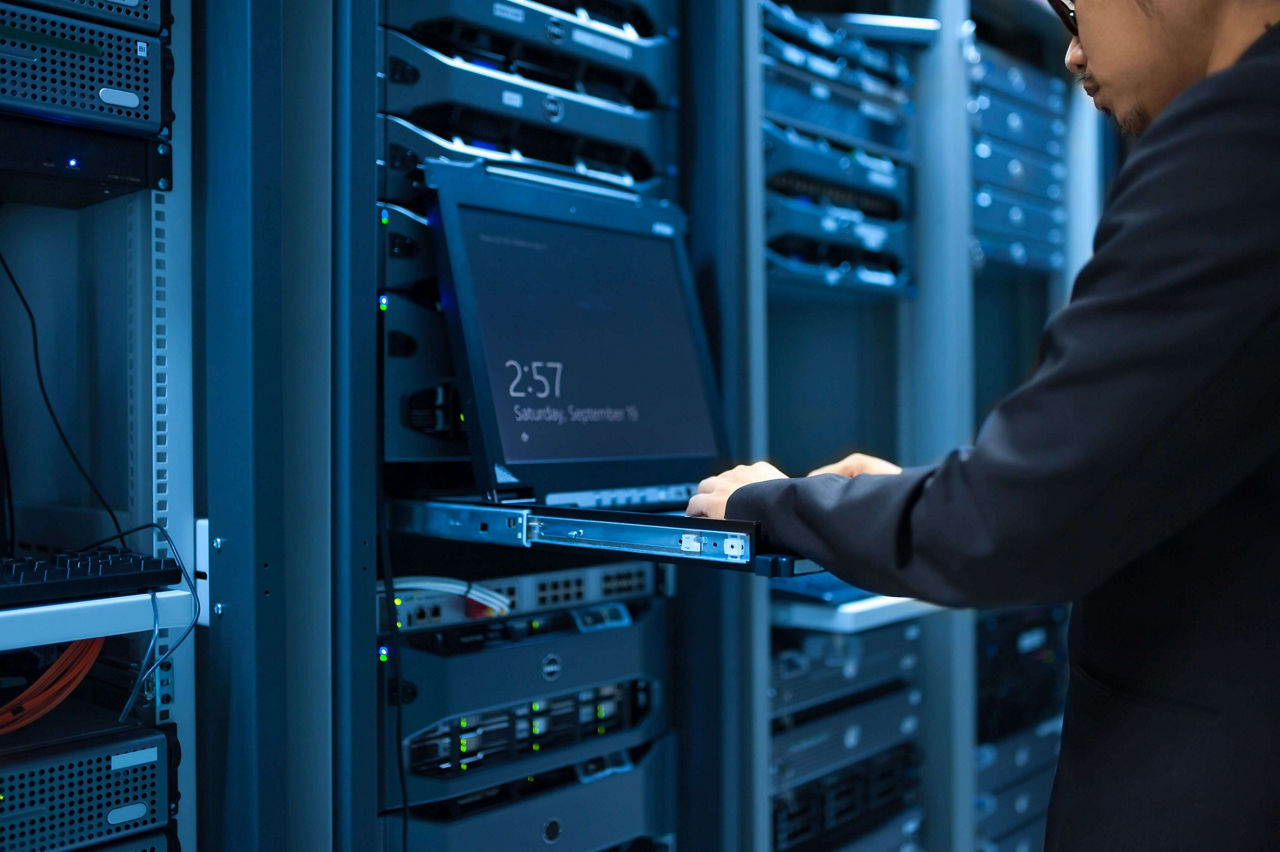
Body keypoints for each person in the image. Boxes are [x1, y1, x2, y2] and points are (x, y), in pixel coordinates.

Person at [686, 0, 1280, 847]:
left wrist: (774, 503)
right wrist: (918, 497)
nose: (1072, 54)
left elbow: (1007, 526)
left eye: (1073, 9)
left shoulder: (1242, 140)